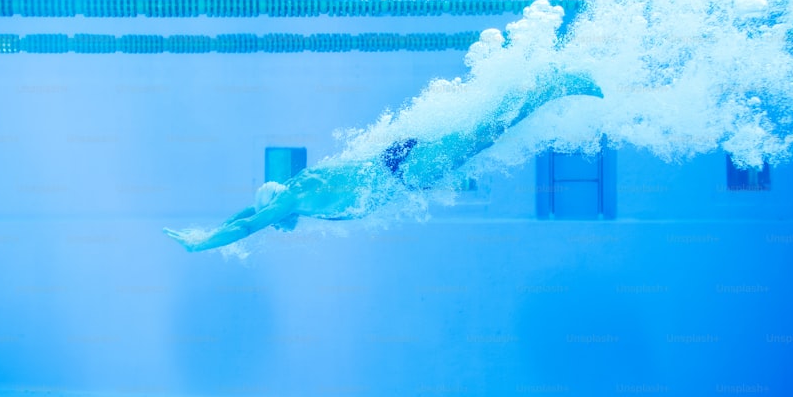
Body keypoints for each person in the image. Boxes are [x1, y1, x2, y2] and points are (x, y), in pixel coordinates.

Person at [164, 69, 602, 252]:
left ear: (274, 205)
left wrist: (203, 244)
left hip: (404, 170)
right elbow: (248, 212)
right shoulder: (298, 190)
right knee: (478, 135)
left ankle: (550, 86)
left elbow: (249, 223)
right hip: (395, 163)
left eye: (276, 219)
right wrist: (210, 226)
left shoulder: (292, 200)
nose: (280, 227)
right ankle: (538, 85)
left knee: (484, 136)